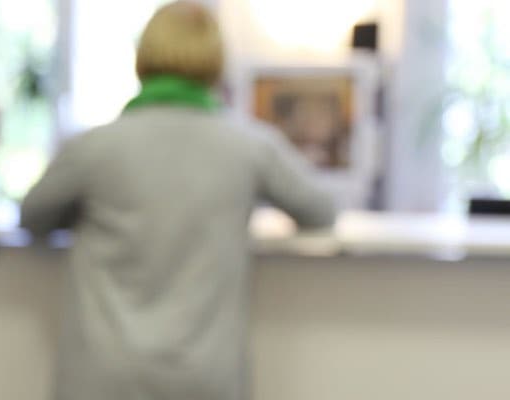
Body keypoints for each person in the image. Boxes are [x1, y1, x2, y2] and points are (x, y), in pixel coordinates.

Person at [19, 2, 336, 400]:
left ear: (143, 59)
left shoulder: (95, 147)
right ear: (216, 64)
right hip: (205, 378)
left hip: (101, 376)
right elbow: (321, 211)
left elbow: (32, 218)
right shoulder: (248, 147)